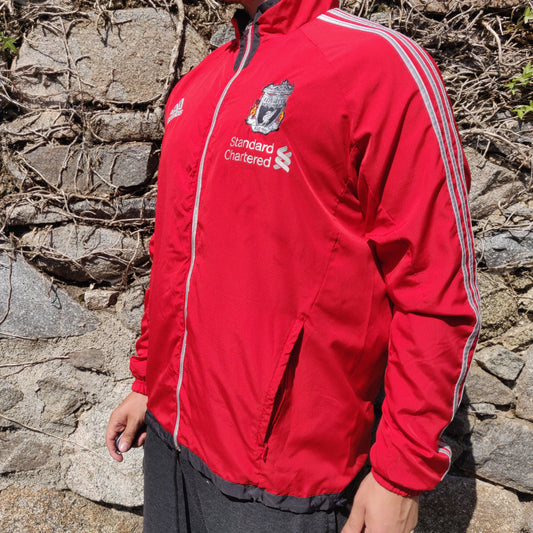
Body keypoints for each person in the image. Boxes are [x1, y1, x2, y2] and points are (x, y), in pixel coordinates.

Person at [106, 1, 480, 531]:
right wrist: (148, 379)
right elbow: (173, 252)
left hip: (287, 478)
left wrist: (400, 474)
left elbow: (436, 288)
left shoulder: (377, 66)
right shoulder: (202, 81)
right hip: (171, 442)